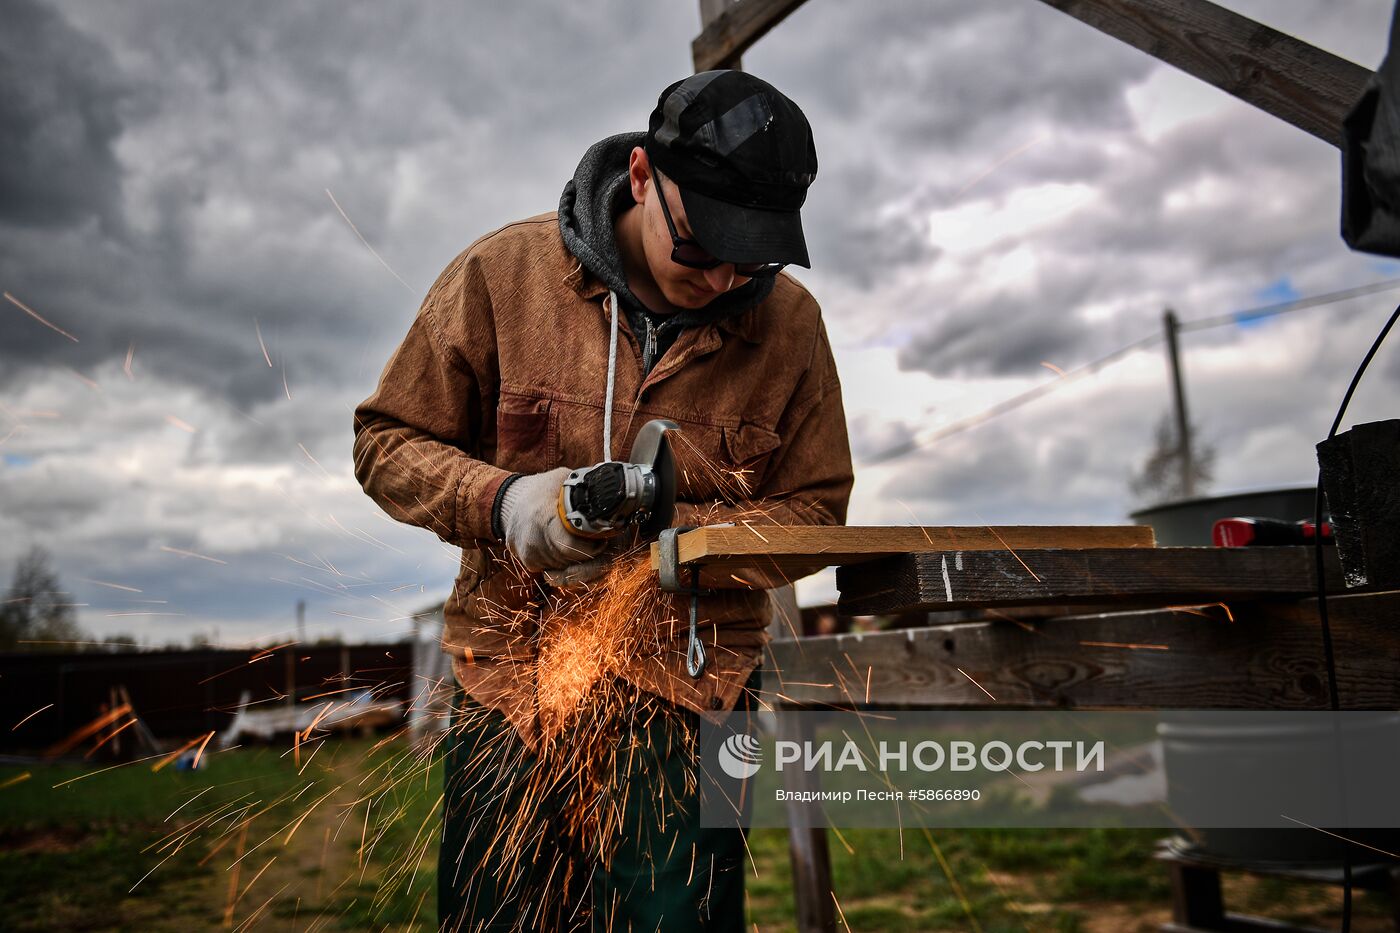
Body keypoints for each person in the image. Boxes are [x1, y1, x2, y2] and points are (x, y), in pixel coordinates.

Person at [353, 69, 854, 932]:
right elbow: (385, 443)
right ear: (640, 177)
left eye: (754, 258)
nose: (726, 277)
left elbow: (815, 512)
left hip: (691, 692)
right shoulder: (501, 278)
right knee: (499, 914)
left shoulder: (791, 329)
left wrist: (675, 536)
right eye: (700, 247)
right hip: (509, 684)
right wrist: (507, 504)